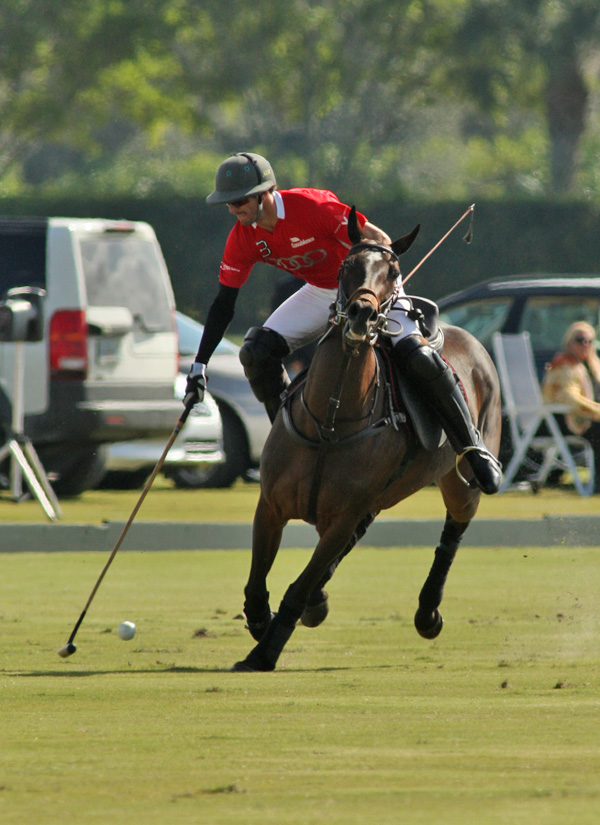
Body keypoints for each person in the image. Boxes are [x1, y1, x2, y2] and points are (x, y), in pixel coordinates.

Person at [185, 151, 501, 494]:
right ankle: (290, 441)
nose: (234, 209)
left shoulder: (313, 207)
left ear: (266, 193)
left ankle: (472, 446)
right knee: (256, 351)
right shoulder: (243, 237)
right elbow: (223, 304)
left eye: (240, 201)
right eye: (228, 203)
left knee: (417, 354)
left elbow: (378, 239)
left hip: (368, 287)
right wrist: (200, 365)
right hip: (322, 291)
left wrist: (375, 288)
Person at [541, 320, 600, 491]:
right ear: (569, 343)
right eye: (580, 340)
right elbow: (570, 398)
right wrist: (597, 411)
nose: (585, 344)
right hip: (565, 421)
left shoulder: (592, 365)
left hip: (584, 418)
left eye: (589, 341)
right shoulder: (563, 364)